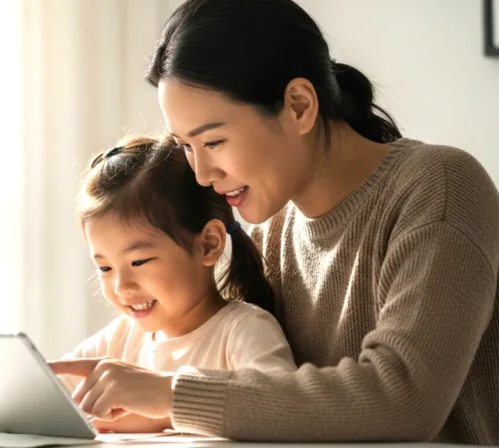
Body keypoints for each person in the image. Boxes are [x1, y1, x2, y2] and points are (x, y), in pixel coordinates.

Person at [50, 0, 499, 445]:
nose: (202, 174)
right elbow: (270, 399)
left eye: (214, 141)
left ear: (299, 106)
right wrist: (151, 410)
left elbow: (403, 399)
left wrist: (170, 395)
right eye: (186, 146)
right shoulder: (272, 227)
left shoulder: (438, 187)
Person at [0, 137, 296, 433]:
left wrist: (166, 409)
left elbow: (281, 410)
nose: (121, 285)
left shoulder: (243, 330)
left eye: (139, 262)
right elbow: (45, 399)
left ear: (208, 245)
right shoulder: (121, 338)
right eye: (104, 267)